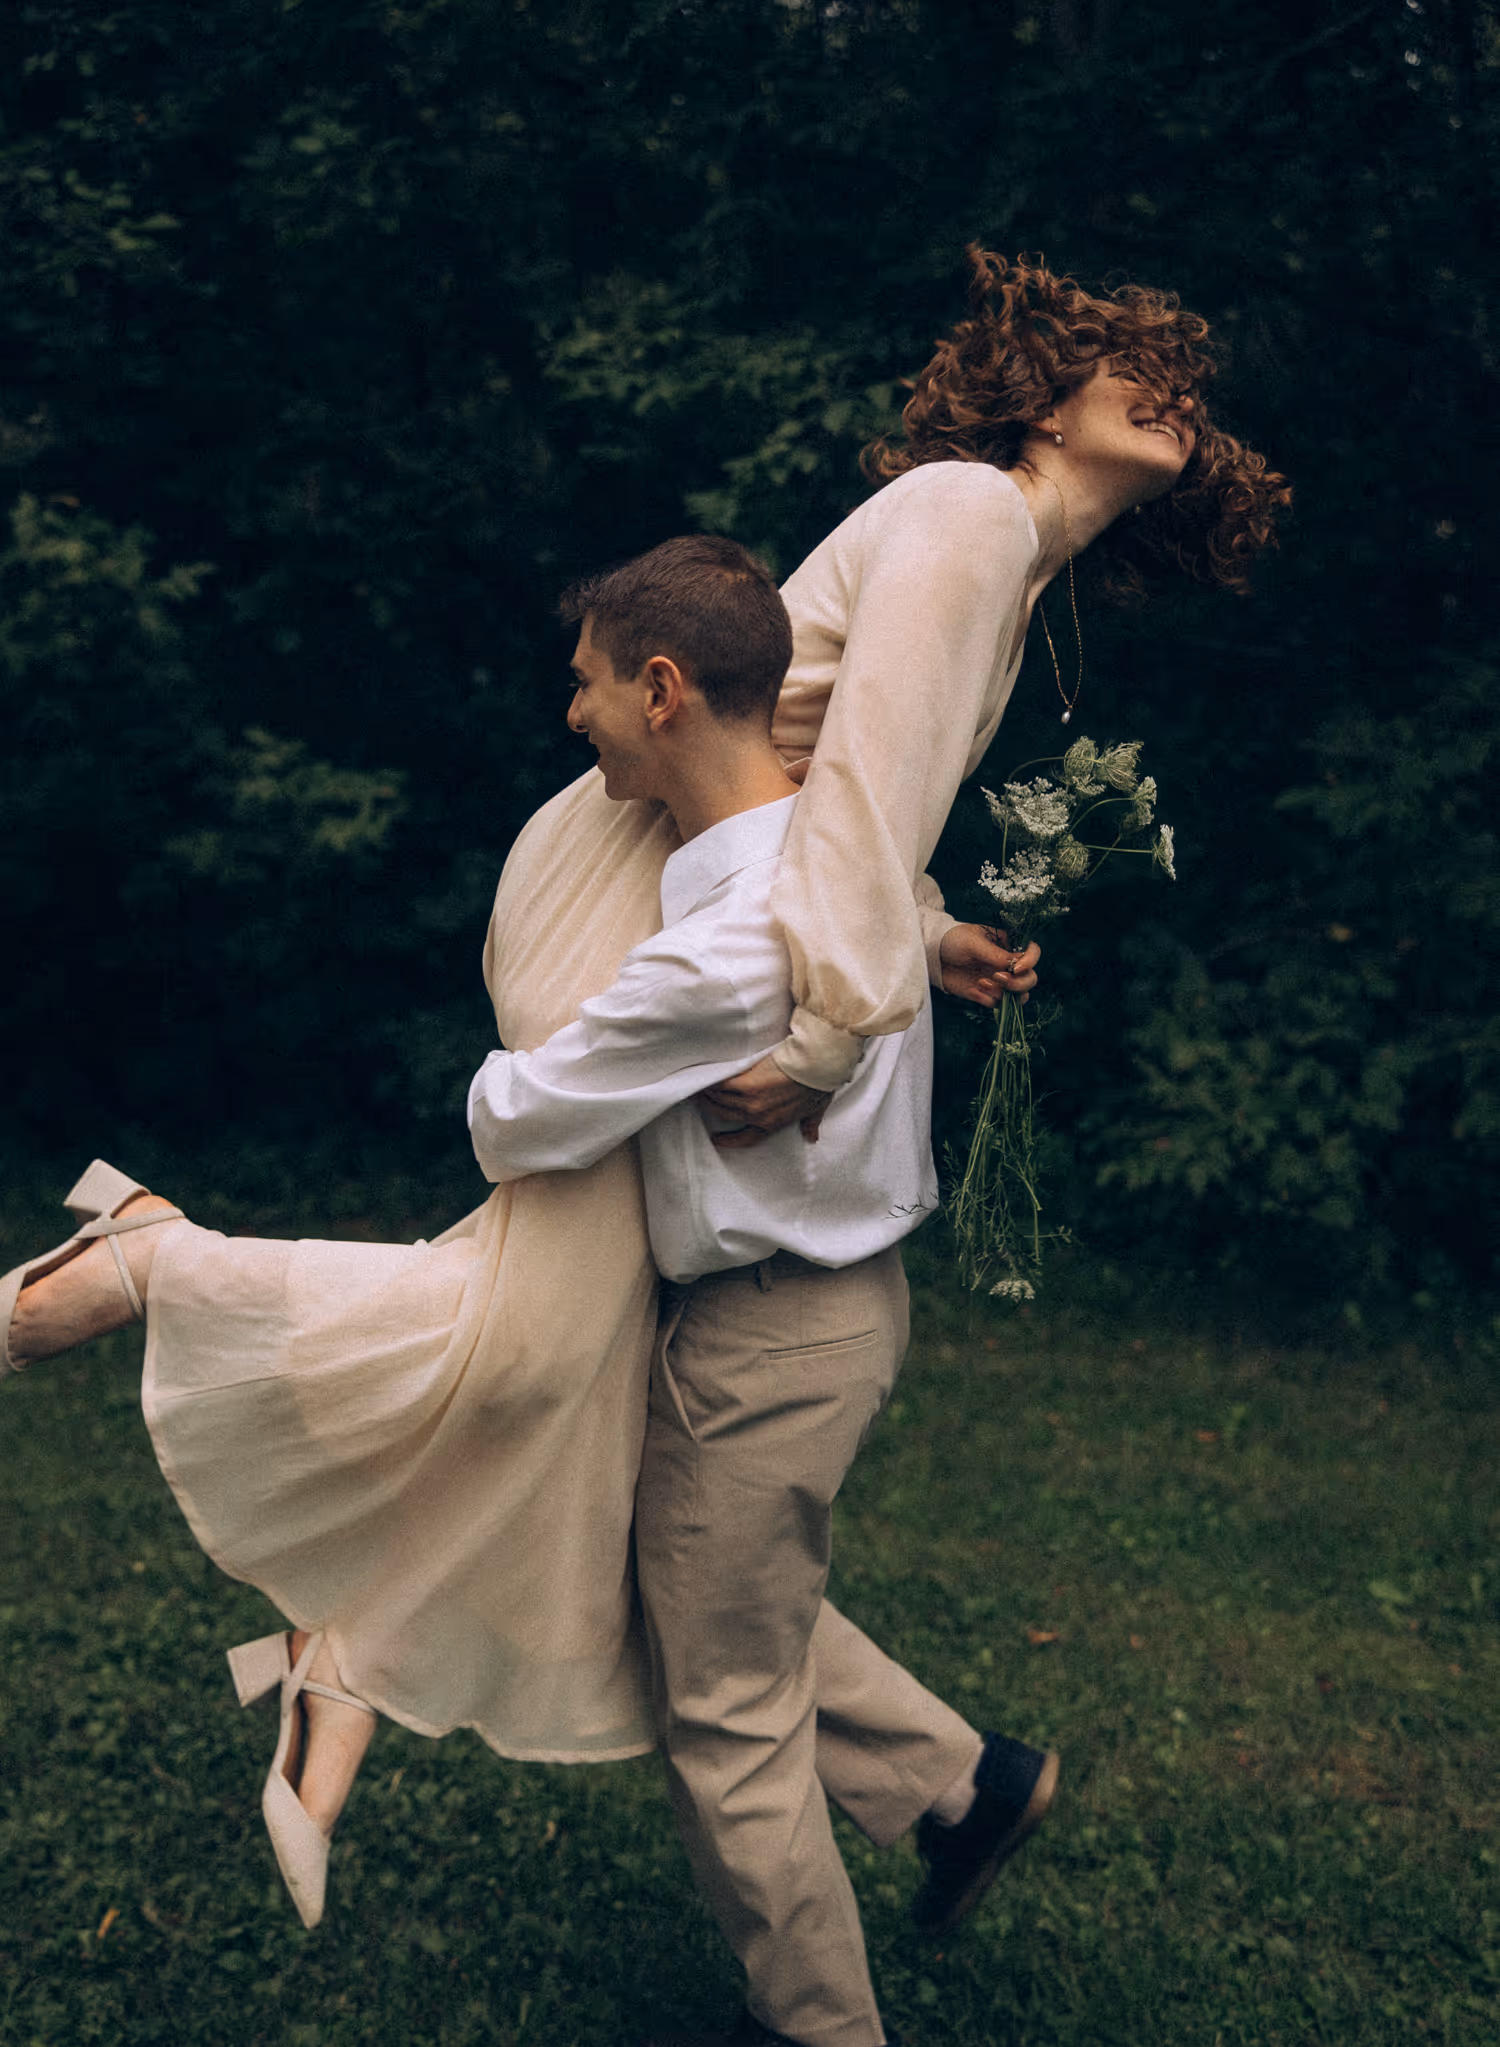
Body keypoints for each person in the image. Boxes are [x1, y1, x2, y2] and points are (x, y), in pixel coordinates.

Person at [0, 248, 1286, 1950]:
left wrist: (917, 928)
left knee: (592, 1418)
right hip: (632, 891)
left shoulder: (1007, 564)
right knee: (532, 1352)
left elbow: (833, 812)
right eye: (1126, 359)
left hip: (679, 892)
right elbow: (829, 812)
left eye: (1185, 370)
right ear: (1040, 394)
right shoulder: (976, 516)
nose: (1166, 384)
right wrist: (831, 1037)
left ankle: (947, 1783)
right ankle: (180, 1306)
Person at [467, 536, 1055, 2047]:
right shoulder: (850, 876)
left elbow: (511, 1119)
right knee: (706, 1610)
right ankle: (958, 1782)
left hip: (768, 1335)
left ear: (661, 689)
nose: (573, 714)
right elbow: (881, 924)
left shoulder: (725, 939)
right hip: (806, 1316)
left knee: (718, 1697)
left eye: (586, 681)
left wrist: (560, 1034)